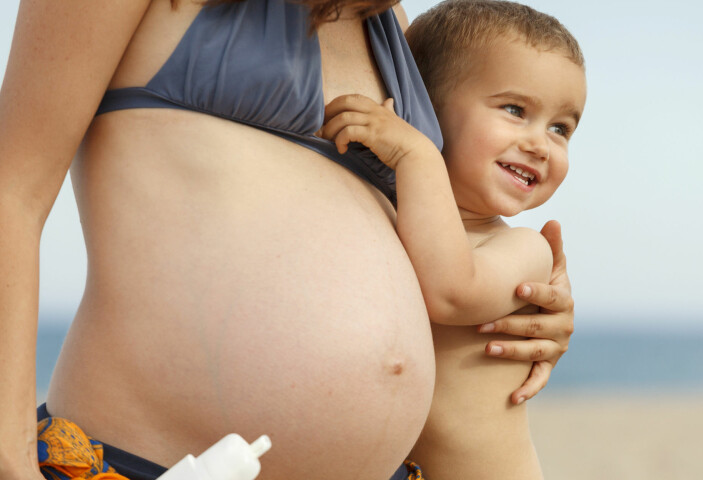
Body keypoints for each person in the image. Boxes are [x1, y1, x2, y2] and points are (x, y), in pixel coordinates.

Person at [0, 1, 575, 479]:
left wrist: (533, 294)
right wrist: (9, 457)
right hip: (145, 460)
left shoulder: (392, 22)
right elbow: (12, 193)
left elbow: (449, 225)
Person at [318, 1, 585, 477]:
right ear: (427, 110)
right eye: (514, 109)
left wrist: (415, 155)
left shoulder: (525, 249)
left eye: (561, 128)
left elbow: (451, 292)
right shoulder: (388, 219)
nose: (540, 143)